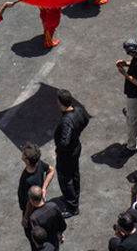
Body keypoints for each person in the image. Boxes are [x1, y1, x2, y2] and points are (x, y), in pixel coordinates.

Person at [53, 88, 89, 217]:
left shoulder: (66, 121)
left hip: (67, 154)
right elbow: (86, 120)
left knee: (65, 178)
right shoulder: (79, 110)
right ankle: (75, 195)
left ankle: (72, 205)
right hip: (75, 148)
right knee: (74, 173)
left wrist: (59, 149)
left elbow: (64, 141)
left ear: (60, 102)